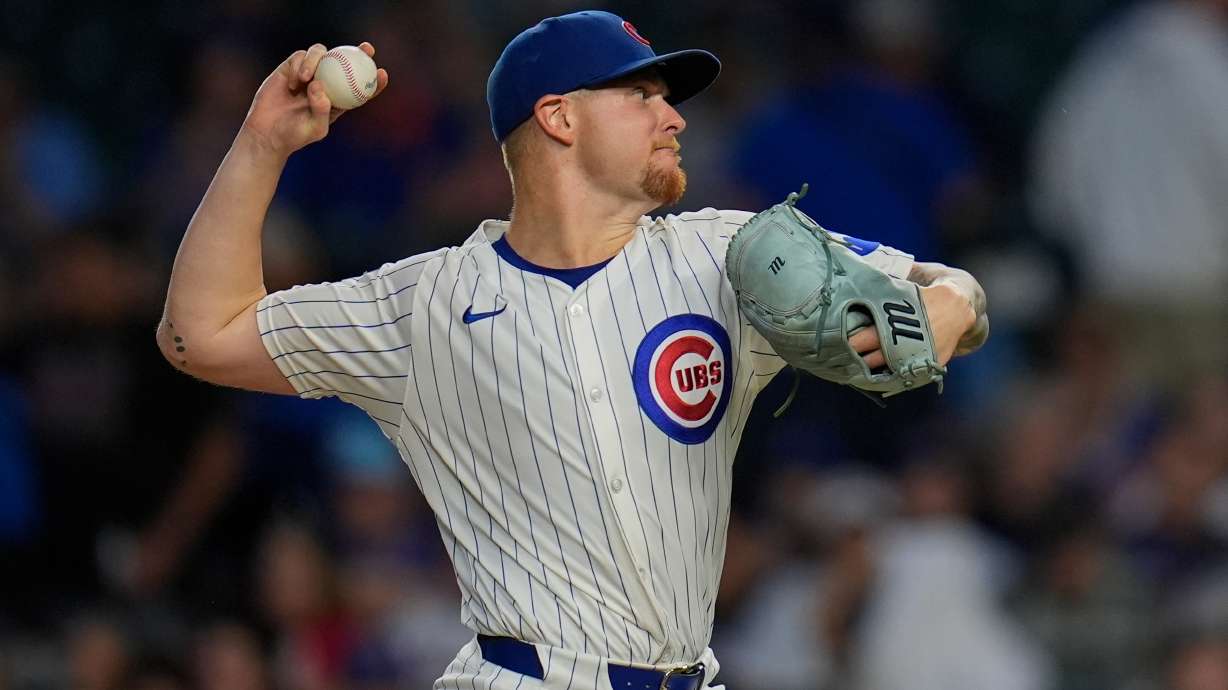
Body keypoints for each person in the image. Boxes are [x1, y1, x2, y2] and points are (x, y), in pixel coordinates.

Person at [157, 11, 988, 690]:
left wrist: (946, 310)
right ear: (558, 116)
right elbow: (201, 334)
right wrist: (261, 146)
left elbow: (949, 283)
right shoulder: (424, 304)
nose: (675, 117)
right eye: (641, 96)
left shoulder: (726, 254)